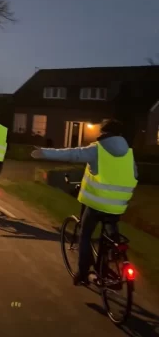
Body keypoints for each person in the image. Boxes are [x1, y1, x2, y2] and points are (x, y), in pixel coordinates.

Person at [31, 119, 138, 285]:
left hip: (96, 204)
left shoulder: (98, 149)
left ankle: (82, 273)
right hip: (119, 205)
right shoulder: (129, 153)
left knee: (85, 234)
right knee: (110, 232)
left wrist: (44, 152)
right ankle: (110, 259)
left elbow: (72, 154)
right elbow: (134, 175)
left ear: (104, 133)